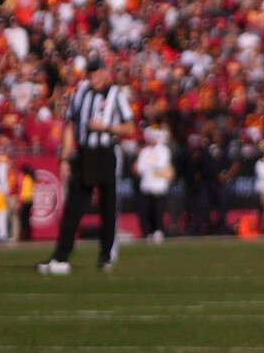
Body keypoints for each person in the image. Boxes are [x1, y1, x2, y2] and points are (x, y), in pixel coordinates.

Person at [38, 61, 134, 274]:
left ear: (105, 72)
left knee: (108, 207)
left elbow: (129, 127)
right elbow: (70, 126)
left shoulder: (115, 95)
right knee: (73, 207)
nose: (93, 76)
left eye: (97, 71)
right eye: (90, 72)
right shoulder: (80, 94)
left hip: (106, 152)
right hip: (84, 155)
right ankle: (61, 256)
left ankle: (106, 255)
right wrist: (64, 158)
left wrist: (107, 128)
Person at [135, 127, 174, 243]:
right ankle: (148, 232)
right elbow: (139, 168)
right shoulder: (145, 151)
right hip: (146, 185)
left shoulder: (163, 150)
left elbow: (161, 165)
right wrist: (149, 165)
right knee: (146, 211)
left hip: (158, 186)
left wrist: (149, 165)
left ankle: (159, 231)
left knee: (158, 210)